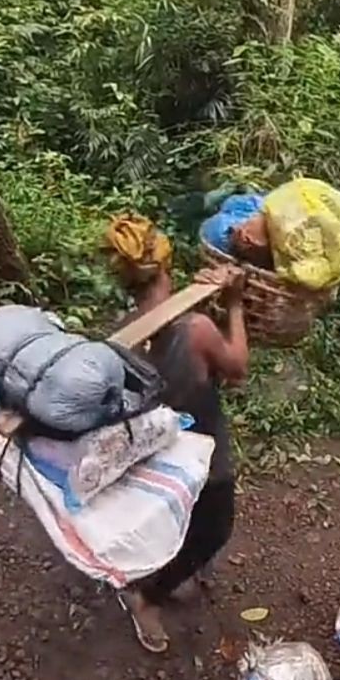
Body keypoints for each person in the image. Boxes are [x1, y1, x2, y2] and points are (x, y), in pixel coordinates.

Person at [118, 262, 249, 652]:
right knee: (216, 526)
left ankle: (157, 568)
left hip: (155, 447)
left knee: (174, 511)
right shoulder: (195, 330)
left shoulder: (125, 331)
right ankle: (146, 596)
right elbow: (238, 368)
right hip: (200, 444)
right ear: (163, 272)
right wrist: (236, 305)